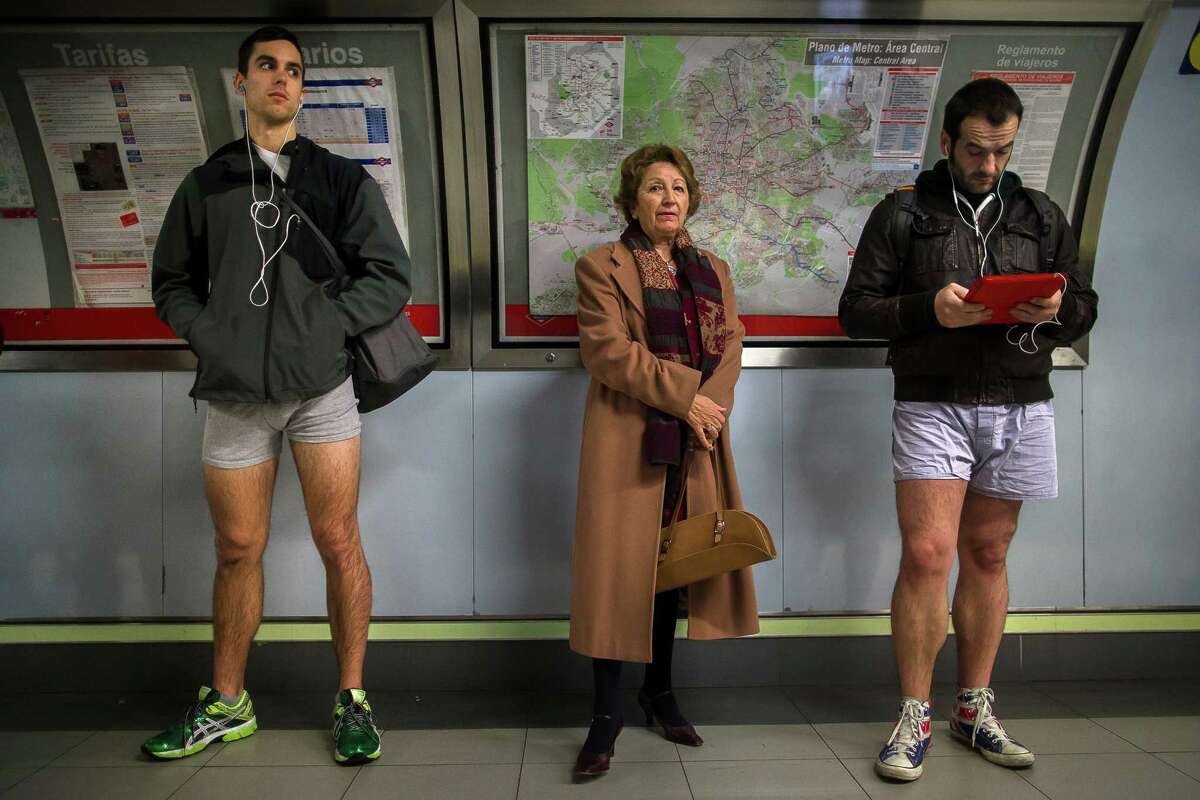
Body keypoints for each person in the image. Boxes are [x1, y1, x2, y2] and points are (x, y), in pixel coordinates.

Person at [145, 25, 411, 765]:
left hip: (322, 390)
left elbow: (389, 275)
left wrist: (326, 327)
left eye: (294, 70)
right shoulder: (208, 183)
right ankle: (227, 703)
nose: (282, 80)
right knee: (238, 547)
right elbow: (170, 282)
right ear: (244, 82)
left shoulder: (338, 179)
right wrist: (212, 334)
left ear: (302, 87)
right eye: (267, 66)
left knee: (337, 539)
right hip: (234, 392)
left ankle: (352, 699)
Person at [839, 77, 1098, 782]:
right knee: (927, 553)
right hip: (932, 400)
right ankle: (914, 713)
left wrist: (1058, 308)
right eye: (977, 150)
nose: (989, 165)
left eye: (1003, 151)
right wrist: (929, 309)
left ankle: (973, 708)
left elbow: (1084, 306)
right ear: (947, 141)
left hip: (1018, 399)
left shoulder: (1040, 214)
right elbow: (856, 311)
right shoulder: (901, 214)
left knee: (987, 552)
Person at [569, 143, 759, 777]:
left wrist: (708, 405)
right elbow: (608, 353)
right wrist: (689, 399)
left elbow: (731, 345)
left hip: (697, 439)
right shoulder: (601, 266)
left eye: (678, 187)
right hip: (631, 437)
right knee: (618, 572)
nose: (668, 198)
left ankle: (659, 690)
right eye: (654, 187)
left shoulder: (714, 268)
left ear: (692, 199)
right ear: (632, 201)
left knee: (675, 565)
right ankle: (605, 713)